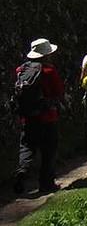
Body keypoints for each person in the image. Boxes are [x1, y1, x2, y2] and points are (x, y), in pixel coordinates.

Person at [12, 38, 65, 195]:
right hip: (47, 117)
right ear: (46, 55)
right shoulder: (49, 71)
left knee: (27, 147)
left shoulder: (21, 70)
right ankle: (46, 184)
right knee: (48, 150)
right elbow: (58, 91)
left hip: (28, 118)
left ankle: (22, 170)